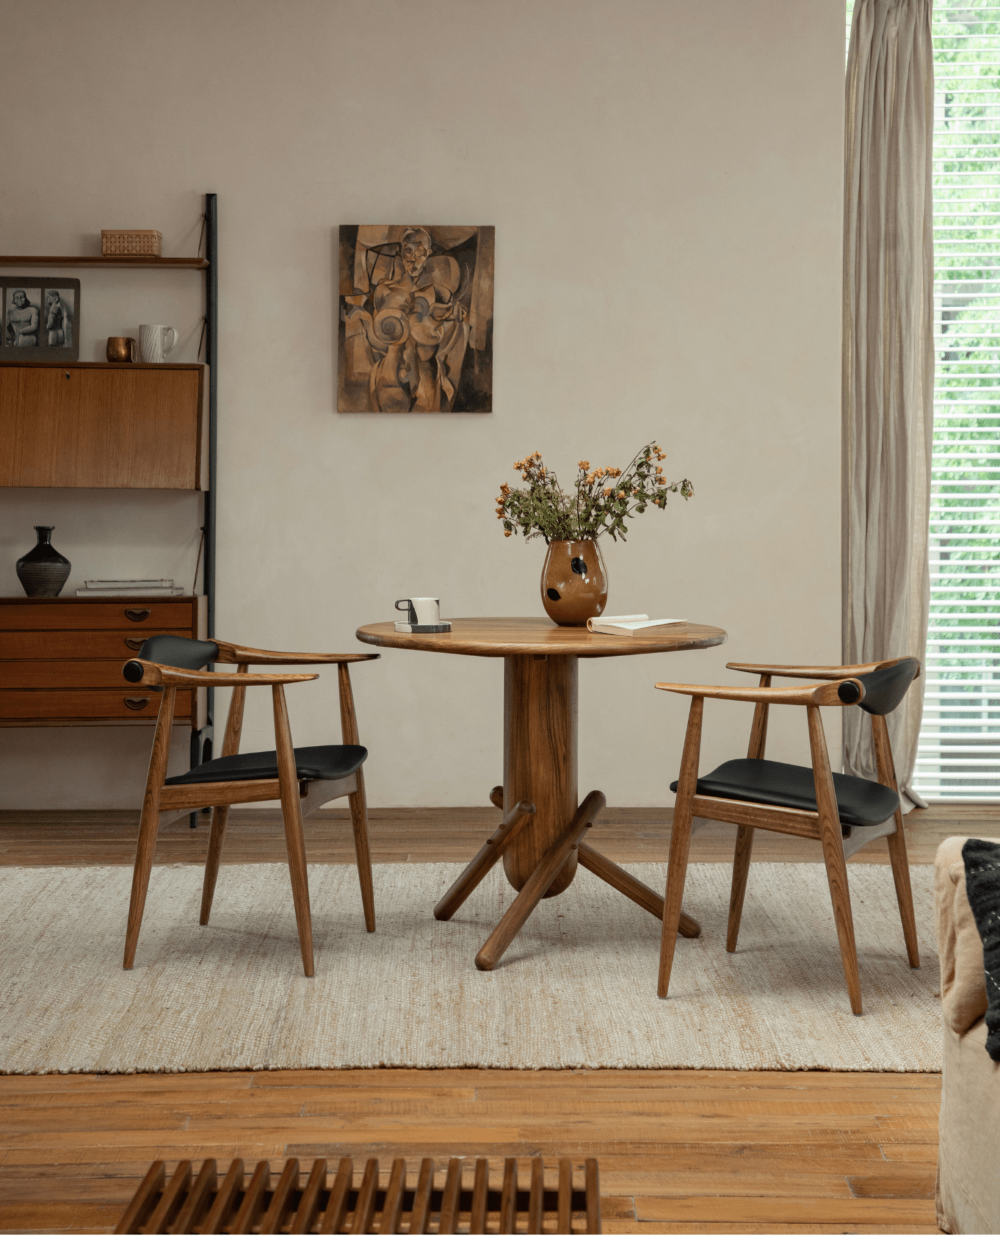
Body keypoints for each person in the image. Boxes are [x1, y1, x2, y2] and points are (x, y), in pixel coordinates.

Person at [347, 228, 470, 413]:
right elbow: (377, 337)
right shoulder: (384, 291)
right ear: (400, 252)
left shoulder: (437, 291)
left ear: (428, 254)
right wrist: (362, 317)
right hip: (391, 375)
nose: (413, 259)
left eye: (420, 253)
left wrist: (454, 313)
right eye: (408, 251)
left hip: (426, 373)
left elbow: (451, 316)